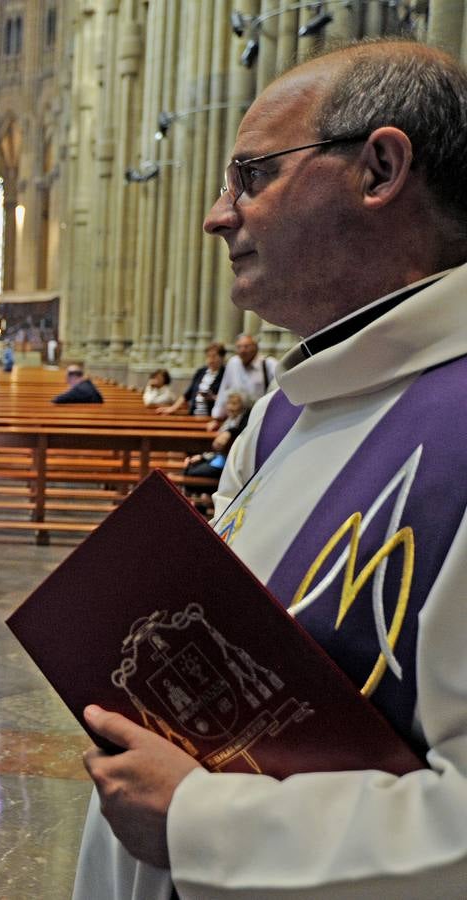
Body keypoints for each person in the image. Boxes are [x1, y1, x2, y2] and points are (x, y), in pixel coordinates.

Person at [75, 40, 467, 898]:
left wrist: (203, 823)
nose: (217, 215)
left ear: (380, 169)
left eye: (250, 176)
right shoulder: (284, 411)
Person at [207, 333, 276, 428]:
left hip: (260, 418)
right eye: (239, 347)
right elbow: (224, 390)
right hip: (236, 419)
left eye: (246, 346)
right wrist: (217, 417)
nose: (242, 350)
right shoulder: (233, 363)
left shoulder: (269, 364)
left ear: (255, 347)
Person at [159, 342, 226, 416]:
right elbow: (188, 394)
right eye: (208, 356)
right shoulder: (201, 372)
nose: (210, 360)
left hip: (212, 416)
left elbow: (229, 399)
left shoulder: (225, 374)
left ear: (222, 357)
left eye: (214, 356)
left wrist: (213, 398)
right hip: (194, 413)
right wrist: (172, 408)